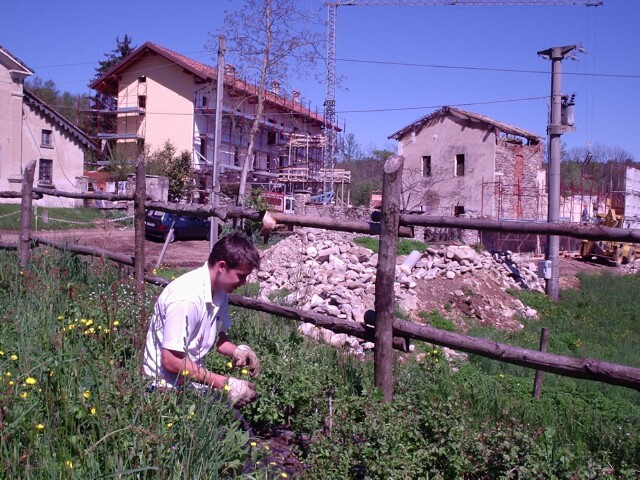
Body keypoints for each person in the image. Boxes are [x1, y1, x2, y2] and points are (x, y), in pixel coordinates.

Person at [143, 230, 261, 407]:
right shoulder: (187, 297)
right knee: (225, 421)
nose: (244, 282)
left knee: (235, 421)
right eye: (241, 275)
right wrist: (225, 383)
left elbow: (218, 338)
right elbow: (170, 360)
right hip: (163, 388)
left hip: (191, 381)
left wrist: (237, 351)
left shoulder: (219, 291)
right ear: (221, 266)